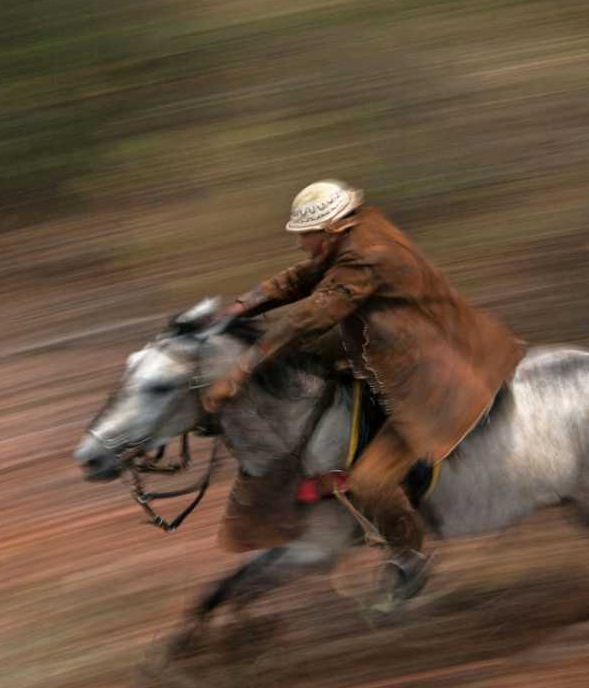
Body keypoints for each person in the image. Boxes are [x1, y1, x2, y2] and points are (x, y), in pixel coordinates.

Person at [204, 179, 524, 601]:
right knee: (300, 361)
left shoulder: (367, 256)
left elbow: (309, 317)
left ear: (333, 229)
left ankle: (409, 560)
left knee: (370, 481)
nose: (301, 243)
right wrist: (241, 307)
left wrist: (241, 370)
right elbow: (303, 277)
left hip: (428, 374)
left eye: (307, 234)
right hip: (391, 339)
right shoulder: (354, 233)